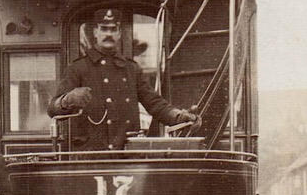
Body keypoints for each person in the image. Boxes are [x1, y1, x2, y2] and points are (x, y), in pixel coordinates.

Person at [48, 8, 200, 150]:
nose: (109, 34)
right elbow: (52, 110)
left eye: (113, 29)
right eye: (104, 29)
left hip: (126, 154)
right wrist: (67, 100)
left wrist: (179, 116)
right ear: (95, 32)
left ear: (119, 33)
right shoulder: (78, 68)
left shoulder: (132, 69)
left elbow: (155, 104)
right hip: (90, 156)